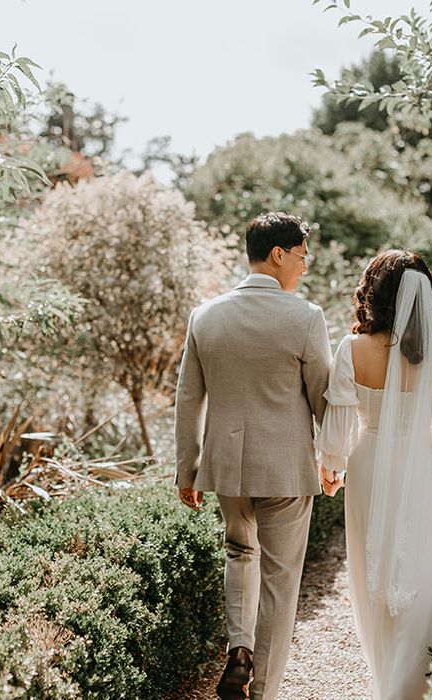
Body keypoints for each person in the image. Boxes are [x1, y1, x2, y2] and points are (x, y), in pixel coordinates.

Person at [316, 250, 432, 699]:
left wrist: (331, 469)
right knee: (422, 572)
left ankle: (387, 680)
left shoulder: (351, 347)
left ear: (375, 294)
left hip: (368, 464)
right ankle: (410, 685)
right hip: (422, 467)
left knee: (372, 576)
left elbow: (338, 423)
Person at [174, 212, 332, 699]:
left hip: (226, 469)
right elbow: (324, 398)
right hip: (285, 470)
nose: (304, 268)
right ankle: (262, 692)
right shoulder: (305, 318)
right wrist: (334, 461)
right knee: (281, 583)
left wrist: (187, 469)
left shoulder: (206, 316)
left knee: (239, 553)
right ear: (279, 254)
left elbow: (188, 398)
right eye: (302, 257)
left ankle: (240, 649)